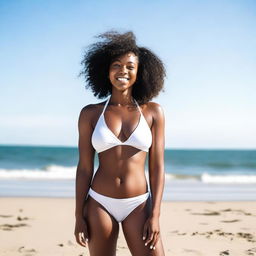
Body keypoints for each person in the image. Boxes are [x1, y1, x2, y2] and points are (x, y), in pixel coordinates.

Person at [74, 30, 166, 256]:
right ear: (106, 71)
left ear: (139, 72)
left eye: (130, 66)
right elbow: (85, 168)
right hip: (99, 203)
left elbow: (157, 168)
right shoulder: (90, 114)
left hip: (139, 204)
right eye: (116, 65)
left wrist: (155, 215)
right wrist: (78, 215)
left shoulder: (153, 112)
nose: (122, 71)